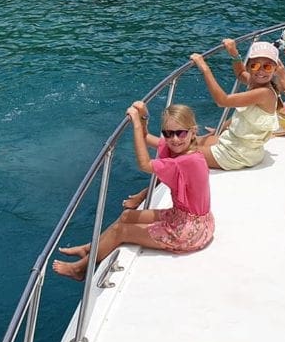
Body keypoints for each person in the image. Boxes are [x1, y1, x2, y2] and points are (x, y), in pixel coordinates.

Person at [52, 102, 214, 281]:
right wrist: (144, 117)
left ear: (193, 132)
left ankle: (80, 270)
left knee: (122, 231)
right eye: (168, 133)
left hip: (190, 231)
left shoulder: (188, 161)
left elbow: (144, 165)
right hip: (183, 216)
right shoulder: (180, 150)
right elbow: (145, 138)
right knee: (126, 216)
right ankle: (90, 249)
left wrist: (136, 123)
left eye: (180, 133)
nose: (175, 139)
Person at [187, 41, 282, 169]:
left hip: (237, 154)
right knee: (189, 141)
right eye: (255, 66)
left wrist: (204, 68)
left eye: (268, 67)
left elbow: (222, 101)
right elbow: (240, 74)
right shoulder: (256, 83)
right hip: (239, 145)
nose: (261, 71)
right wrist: (234, 53)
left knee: (180, 151)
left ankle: (153, 184)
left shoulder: (264, 93)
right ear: (248, 67)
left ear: (275, 70)